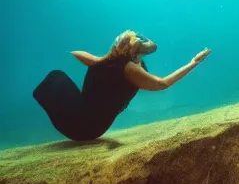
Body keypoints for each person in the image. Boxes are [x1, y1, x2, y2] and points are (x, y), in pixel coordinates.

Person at [33, 30, 211, 142]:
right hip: (86, 128)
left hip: (80, 126)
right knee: (57, 76)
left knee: (56, 76)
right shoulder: (121, 67)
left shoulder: (108, 64)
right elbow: (161, 82)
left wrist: (193, 63)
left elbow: (161, 83)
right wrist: (193, 62)